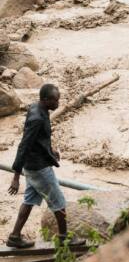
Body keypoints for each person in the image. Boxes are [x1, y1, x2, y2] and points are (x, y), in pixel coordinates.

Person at [6, 84, 85, 248]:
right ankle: (64, 238)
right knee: (59, 202)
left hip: (33, 166)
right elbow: (24, 145)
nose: (58, 103)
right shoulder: (37, 118)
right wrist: (15, 177)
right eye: (55, 100)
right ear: (45, 100)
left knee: (29, 201)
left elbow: (38, 139)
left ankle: (14, 236)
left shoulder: (38, 108)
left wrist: (50, 150)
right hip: (39, 168)